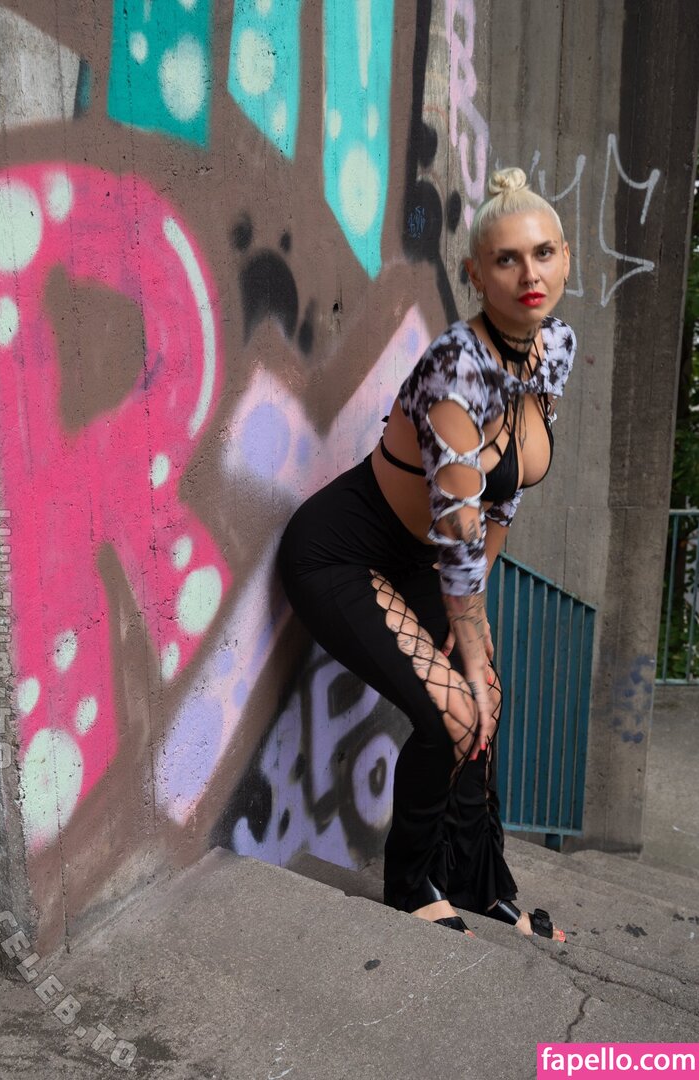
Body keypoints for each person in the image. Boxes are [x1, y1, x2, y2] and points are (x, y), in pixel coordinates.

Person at [278, 168, 575, 941]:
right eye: (506, 259)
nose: (530, 273)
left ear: (565, 258)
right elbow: (457, 526)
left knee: (488, 702)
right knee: (453, 715)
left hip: (427, 563)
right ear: (475, 273)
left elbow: (504, 497)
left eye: (544, 253)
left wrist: (474, 633)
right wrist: (466, 640)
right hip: (342, 554)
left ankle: (477, 881)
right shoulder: (455, 370)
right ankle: (410, 885)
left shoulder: (552, 352)